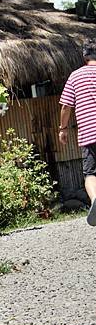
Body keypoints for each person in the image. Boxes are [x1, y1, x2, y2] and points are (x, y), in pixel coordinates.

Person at [59, 38, 96, 226]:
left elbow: (66, 106)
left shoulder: (75, 76)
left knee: (90, 173)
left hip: (89, 133)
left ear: (84, 56)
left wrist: (63, 128)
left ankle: (95, 199)